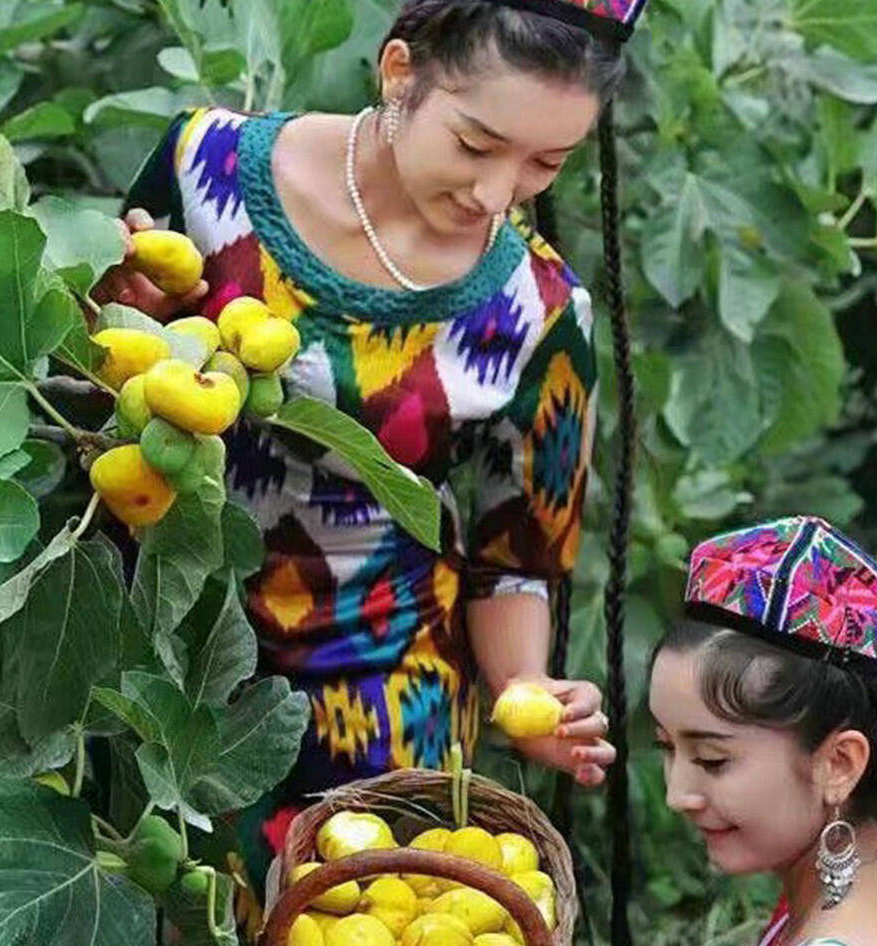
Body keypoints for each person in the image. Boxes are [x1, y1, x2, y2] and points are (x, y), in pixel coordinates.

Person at [95, 0, 649, 898]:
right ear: (399, 73)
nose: (497, 193)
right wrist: (115, 316)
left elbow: (519, 556)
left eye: (546, 163)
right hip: (158, 631)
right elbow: (102, 360)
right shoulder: (208, 170)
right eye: (476, 145)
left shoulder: (537, 310)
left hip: (380, 680)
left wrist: (529, 696)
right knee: (163, 943)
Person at [547, 515, 877, 946]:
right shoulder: (851, 909)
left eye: (712, 759)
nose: (679, 792)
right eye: (665, 748)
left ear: (839, 763)